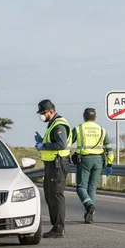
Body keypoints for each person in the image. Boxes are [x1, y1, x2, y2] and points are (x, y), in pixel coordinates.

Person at [34, 99, 72, 238]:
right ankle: (55, 225)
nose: (42, 116)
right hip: (52, 164)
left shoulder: (58, 125)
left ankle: (59, 228)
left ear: (51, 110)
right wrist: (43, 141)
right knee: (50, 194)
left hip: (58, 163)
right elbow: (53, 142)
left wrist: (43, 146)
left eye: (44, 113)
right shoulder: (52, 124)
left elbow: (61, 144)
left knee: (56, 194)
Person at [71, 108, 114, 223]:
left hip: (84, 160)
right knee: (92, 188)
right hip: (99, 161)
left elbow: (67, 142)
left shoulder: (79, 128)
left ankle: (89, 204)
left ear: (84, 117)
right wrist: (109, 163)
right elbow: (109, 147)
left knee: (81, 187)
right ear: (95, 118)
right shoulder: (101, 129)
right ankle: (89, 215)